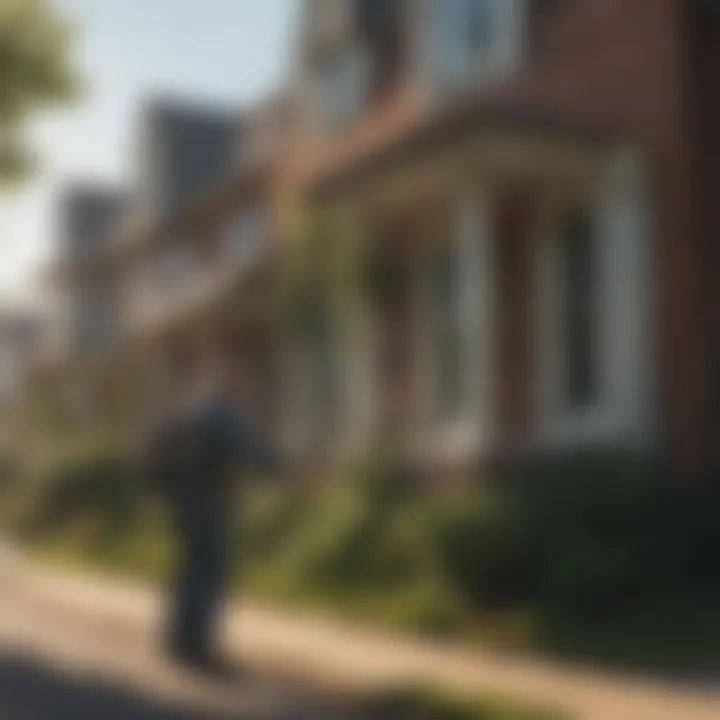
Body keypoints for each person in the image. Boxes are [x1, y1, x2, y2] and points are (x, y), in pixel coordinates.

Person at [141, 337, 280, 670]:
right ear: (232, 380)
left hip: (184, 499)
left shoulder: (198, 408)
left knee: (188, 569)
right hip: (206, 499)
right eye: (244, 377)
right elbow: (250, 450)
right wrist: (283, 468)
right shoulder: (222, 413)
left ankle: (177, 639)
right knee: (210, 572)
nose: (248, 384)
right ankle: (198, 644)